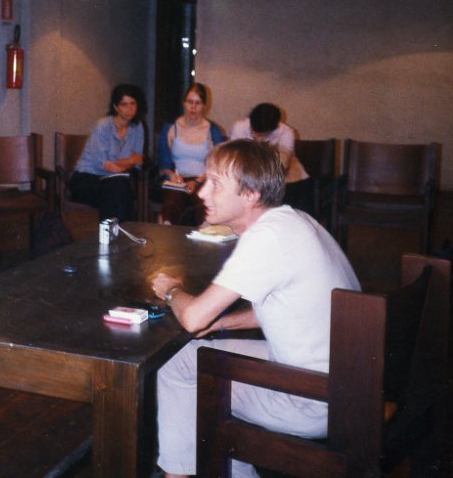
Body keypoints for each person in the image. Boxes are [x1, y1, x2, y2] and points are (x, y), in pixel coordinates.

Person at [150, 140, 360, 478]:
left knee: (184, 374)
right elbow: (284, 310)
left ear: (250, 195)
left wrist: (170, 290)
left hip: (314, 398)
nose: (202, 193)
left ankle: (179, 475)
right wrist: (221, 324)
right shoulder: (294, 220)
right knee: (188, 359)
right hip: (348, 381)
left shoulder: (266, 239)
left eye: (216, 184)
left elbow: (191, 318)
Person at [68, 83, 146, 222]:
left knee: (118, 186)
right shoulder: (103, 126)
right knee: (118, 189)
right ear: (116, 107)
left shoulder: (138, 127)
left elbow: (139, 161)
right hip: (87, 177)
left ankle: (111, 231)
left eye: (133, 103)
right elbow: (104, 164)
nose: (129, 109)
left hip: (113, 180)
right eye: (124, 104)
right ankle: (123, 229)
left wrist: (124, 164)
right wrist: (130, 160)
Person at [155, 83, 226, 225]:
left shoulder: (213, 131)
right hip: (176, 180)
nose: (193, 107)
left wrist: (197, 181)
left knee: (203, 205)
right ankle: (167, 230)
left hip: (203, 180)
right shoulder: (171, 128)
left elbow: (218, 164)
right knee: (171, 204)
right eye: (190, 102)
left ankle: (205, 234)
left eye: (198, 103)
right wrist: (172, 175)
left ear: (204, 106)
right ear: (184, 103)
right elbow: (163, 162)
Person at [229, 102, 314, 216]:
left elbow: (283, 162)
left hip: (283, 175)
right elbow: (234, 157)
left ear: (275, 127)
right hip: (249, 172)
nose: (257, 138)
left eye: (263, 135)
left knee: (292, 199)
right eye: (254, 132)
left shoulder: (285, 132)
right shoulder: (239, 127)